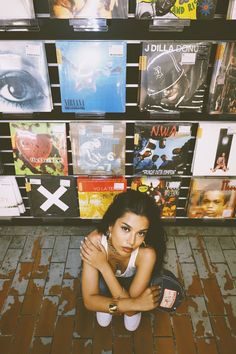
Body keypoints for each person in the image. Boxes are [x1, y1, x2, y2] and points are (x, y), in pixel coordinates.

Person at [80, 190, 166, 331]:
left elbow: (130, 311)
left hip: (131, 285)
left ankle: (107, 304)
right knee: (116, 306)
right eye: (126, 229)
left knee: (130, 316)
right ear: (110, 225)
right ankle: (107, 301)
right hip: (107, 286)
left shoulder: (147, 254)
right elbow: (89, 302)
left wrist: (104, 267)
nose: (132, 242)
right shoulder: (95, 242)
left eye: (141, 233)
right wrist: (136, 305)